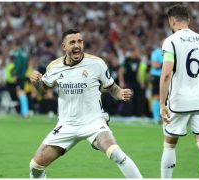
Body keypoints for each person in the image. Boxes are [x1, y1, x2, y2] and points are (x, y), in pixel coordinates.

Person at [29, 29, 142, 178]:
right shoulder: (54, 67)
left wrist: (120, 93)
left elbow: (111, 87)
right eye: (72, 42)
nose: (77, 45)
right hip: (66, 124)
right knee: (35, 166)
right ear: (64, 46)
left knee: (116, 153)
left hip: (93, 122)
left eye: (80, 41)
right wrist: (36, 83)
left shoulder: (96, 64)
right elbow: (43, 90)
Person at [159, 5, 199, 178]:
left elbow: (167, 74)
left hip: (179, 101)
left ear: (172, 21)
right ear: (188, 20)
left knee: (169, 143)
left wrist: (162, 103)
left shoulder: (171, 41)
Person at [150, 41, 163, 124]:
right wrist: (166, 64)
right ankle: (156, 117)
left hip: (166, 77)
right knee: (156, 97)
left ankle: (163, 117)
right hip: (156, 76)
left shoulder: (170, 52)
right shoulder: (156, 53)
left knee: (166, 97)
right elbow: (155, 65)